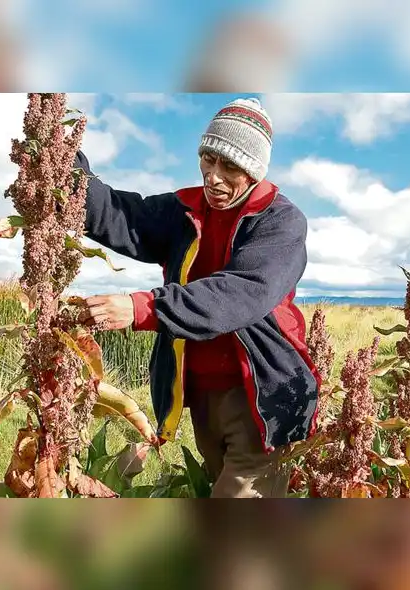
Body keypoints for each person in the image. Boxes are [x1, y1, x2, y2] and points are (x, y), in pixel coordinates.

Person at [73, 97, 322, 498]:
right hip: (205, 396)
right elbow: (122, 216)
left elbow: (240, 293)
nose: (214, 176)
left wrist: (143, 307)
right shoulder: (185, 210)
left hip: (263, 396)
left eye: (231, 167)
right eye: (208, 158)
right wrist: (68, 171)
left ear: (255, 171)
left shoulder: (281, 222)